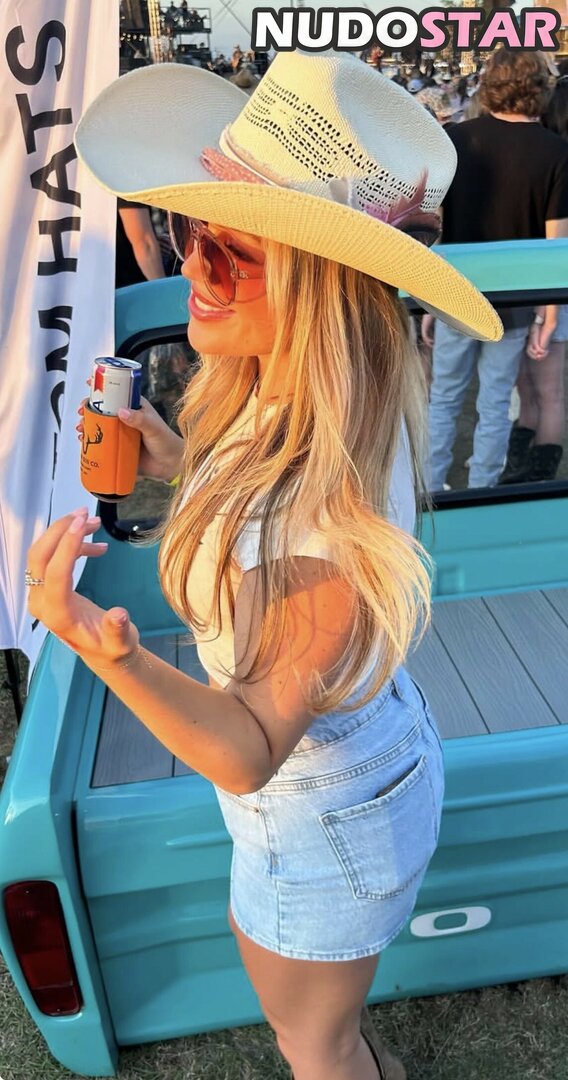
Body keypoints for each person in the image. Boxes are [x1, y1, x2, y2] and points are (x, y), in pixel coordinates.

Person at [31, 51, 501, 1080]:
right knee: (319, 1029)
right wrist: (180, 459)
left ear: (322, 290)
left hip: (320, 809)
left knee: (312, 1044)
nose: (193, 271)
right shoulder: (304, 402)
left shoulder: (319, 507)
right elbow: (271, 508)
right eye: (191, 233)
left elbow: (247, 748)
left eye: (234, 254)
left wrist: (103, 649)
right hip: (344, 778)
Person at [424, 49, 568, 491]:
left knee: (443, 398)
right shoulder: (557, 152)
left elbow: (437, 227)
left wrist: (428, 299)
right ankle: (483, 488)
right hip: (515, 301)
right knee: (495, 401)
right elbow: (554, 247)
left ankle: (430, 487)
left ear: (491, 84)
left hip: (454, 293)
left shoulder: (456, 139)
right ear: (539, 88)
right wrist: (549, 314)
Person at [500, 73, 568, 483]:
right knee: (542, 390)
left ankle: (533, 477)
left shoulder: (552, 160)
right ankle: (526, 473)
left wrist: (549, 314)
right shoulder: (555, 160)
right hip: (549, 287)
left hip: (545, 287)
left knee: (539, 390)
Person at [116, 198, 166, 288]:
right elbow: (144, 243)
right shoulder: (126, 189)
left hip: (102, 283)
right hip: (135, 283)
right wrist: (163, 289)